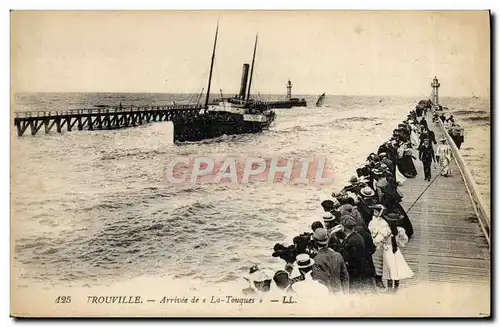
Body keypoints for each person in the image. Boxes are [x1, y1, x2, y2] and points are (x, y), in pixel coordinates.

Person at [339, 216, 376, 293]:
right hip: (360, 270)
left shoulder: (351, 241)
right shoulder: (356, 236)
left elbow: (349, 258)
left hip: (355, 273)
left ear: (344, 228)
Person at [379, 213, 414, 292]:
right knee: (396, 269)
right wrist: (399, 244)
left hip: (388, 250)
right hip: (395, 251)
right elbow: (405, 239)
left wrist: (383, 244)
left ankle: (390, 289)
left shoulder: (386, 230)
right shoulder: (399, 230)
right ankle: (395, 289)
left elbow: (381, 239)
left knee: (389, 269)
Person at [311, 229, 350, 294]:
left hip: (328, 295)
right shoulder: (338, 255)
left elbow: (319, 282)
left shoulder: (316, 260)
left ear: (315, 242)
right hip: (340, 292)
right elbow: (345, 277)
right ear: (328, 241)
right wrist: (345, 293)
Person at [368, 204, 389, 289]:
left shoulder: (383, 223)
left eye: (376, 212)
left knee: (379, 262)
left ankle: (379, 280)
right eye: (374, 211)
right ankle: (375, 279)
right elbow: (370, 229)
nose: (374, 213)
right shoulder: (372, 221)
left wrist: (378, 241)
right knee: (373, 261)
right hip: (372, 242)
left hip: (380, 244)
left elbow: (384, 233)